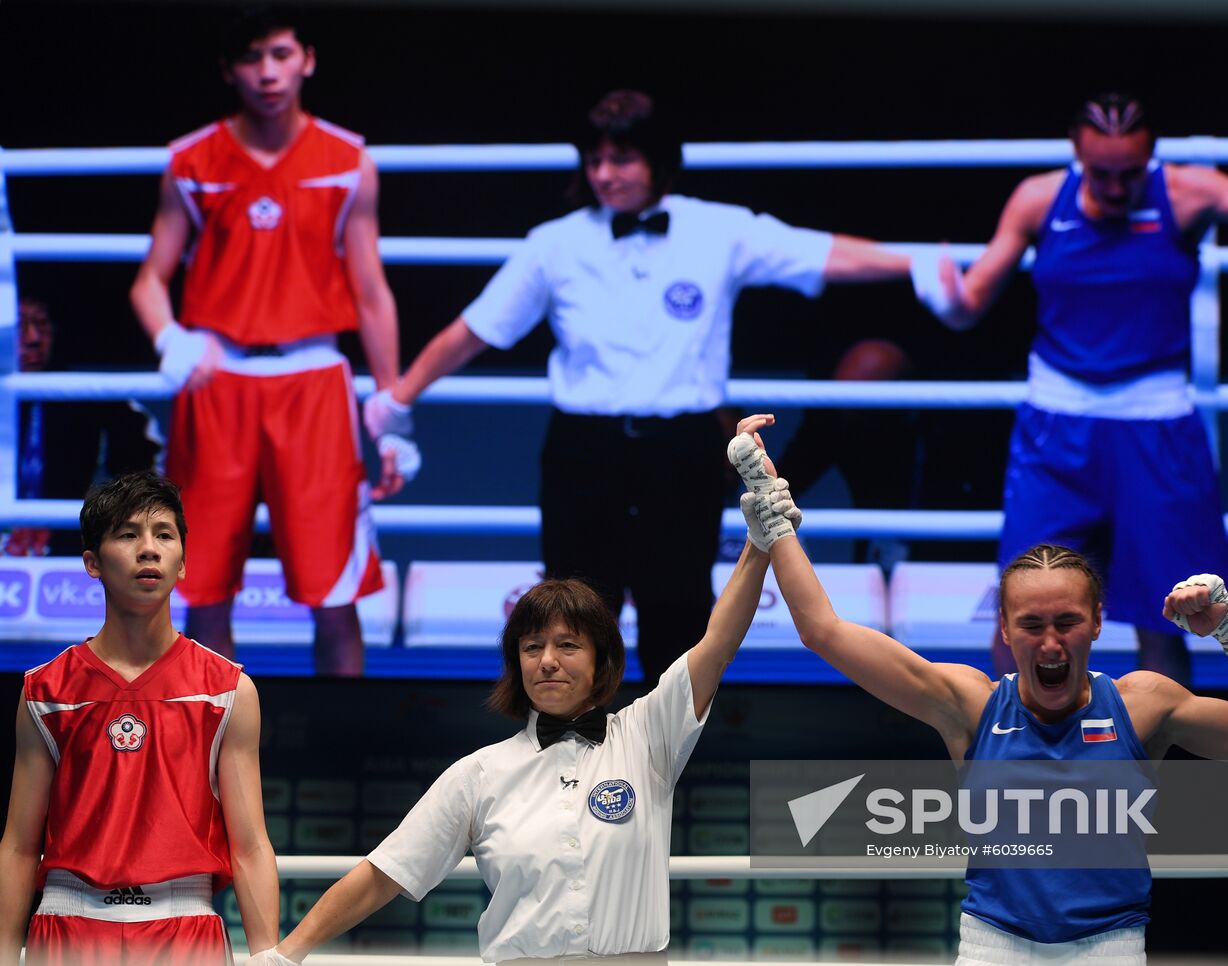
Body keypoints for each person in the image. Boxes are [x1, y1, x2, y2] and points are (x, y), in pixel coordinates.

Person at [362, 89, 920, 684]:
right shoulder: (557, 242)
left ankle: (668, 772)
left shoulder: (718, 229)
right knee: (569, 621)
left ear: (658, 160)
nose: (605, 174)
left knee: (677, 618)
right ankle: (566, 770)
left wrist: (926, 263)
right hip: (583, 450)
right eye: (595, 160)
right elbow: (474, 330)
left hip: (680, 452)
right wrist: (399, 395)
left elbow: (824, 254)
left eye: (622, 159)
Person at [730, 433, 1228, 964]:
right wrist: (773, 513)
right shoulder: (969, 704)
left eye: (1067, 621)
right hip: (993, 946)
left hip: (1111, 944)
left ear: (1097, 625)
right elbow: (823, 631)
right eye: (1033, 624)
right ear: (1005, 631)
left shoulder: (1143, 705)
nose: (1051, 641)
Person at [246, 415, 800, 965]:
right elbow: (382, 874)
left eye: (568, 646)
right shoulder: (478, 774)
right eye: (532, 647)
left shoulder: (647, 735)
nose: (548, 662)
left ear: (602, 659)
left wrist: (759, 536)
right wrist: (285, 955)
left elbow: (717, 644)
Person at [924, 93, 1228, 682]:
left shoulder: (1189, 191)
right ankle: (1016, 765)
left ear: (1151, 157)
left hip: (1157, 425)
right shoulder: (1040, 198)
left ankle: (1150, 773)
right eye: (1101, 174)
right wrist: (941, 297)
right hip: (1056, 428)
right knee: (1026, 607)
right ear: (1077, 154)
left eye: (1130, 174)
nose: (1117, 189)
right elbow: (969, 307)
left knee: (1166, 616)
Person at [129, 5, 413, 676]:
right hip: (215, 383)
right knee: (200, 589)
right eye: (253, 58)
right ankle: (203, 754)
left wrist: (393, 417)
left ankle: (345, 763)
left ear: (307, 59)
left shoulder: (347, 161)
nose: (268, 73)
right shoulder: (191, 160)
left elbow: (372, 293)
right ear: (229, 68)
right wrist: (170, 337)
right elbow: (149, 279)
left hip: (314, 384)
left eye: (281, 55)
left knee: (335, 594)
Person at [0, 472, 281, 965]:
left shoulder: (228, 689)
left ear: (183, 563)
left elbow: (252, 845)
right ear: (92, 562)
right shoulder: (45, 691)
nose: (148, 549)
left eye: (164, 535)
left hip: (187, 928)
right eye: (128, 534)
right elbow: (20, 847)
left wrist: (267, 959)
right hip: (66, 929)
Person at [4, 296, 163, 557]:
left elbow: (145, 474)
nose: (33, 338)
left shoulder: (86, 397)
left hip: (68, 542)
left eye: (42, 324)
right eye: (20, 326)